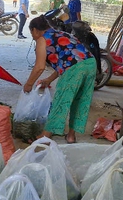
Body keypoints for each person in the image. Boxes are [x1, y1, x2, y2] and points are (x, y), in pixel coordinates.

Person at [23, 15, 96, 144]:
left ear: (35, 30)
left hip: (74, 69)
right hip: (90, 64)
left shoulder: (42, 39)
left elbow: (39, 67)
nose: (32, 37)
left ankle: (45, 137)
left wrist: (28, 84)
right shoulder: (62, 34)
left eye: (31, 33)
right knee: (80, 101)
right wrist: (49, 80)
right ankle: (71, 136)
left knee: (61, 101)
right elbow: (66, 60)